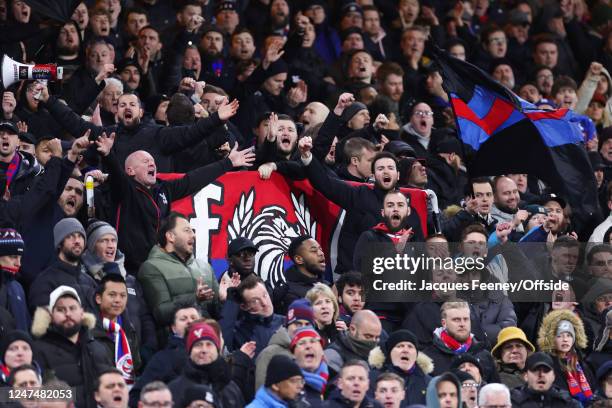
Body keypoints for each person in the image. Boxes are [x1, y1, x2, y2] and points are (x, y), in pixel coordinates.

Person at [94, 127, 254, 271]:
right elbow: (116, 174)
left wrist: (228, 163)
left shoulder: (164, 189)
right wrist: (108, 155)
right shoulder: (125, 189)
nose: (152, 164)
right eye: (145, 161)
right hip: (131, 268)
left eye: (153, 161)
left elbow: (193, 179)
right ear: (130, 170)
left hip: (160, 264)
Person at [31, 286, 113, 408]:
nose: (68, 313)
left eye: (72, 308)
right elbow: (13, 395)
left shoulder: (99, 348)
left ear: (82, 312)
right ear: (51, 315)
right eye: (60, 309)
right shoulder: (37, 350)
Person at [138, 212, 219, 331]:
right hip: (175, 343)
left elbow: (216, 313)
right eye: (187, 230)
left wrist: (225, 297)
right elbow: (161, 313)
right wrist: (194, 298)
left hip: (208, 341)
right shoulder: (151, 267)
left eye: (193, 231)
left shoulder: (205, 267)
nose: (193, 235)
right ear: (170, 236)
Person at [129, 302, 201, 407]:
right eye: (183, 319)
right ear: (173, 328)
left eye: (194, 318)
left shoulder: (213, 355)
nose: (189, 321)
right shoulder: (163, 359)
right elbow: (136, 396)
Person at [168, 320, 244, 407]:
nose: (204, 350)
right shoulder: (174, 390)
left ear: (217, 350)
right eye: (198, 345)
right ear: (189, 352)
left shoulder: (231, 389)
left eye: (209, 344)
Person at [28, 218, 97, 312]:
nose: (77, 241)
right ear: (60, 244)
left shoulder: (89, 281)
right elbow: (42, 321)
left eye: (80, 236)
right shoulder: (45, 281)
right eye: (70, 236)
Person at [423, 302, 497, 382]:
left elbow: (496, 391)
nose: (462, 324)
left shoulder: (484, 355)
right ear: (444, 323)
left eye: (466, 319)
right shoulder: (428, 358)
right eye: (456, 320)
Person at [537, 309, 595, 404]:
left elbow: (594, 390)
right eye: (560, 335)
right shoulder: (548, 365)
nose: (565, 339)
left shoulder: (581, 363)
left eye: (569, 335)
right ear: (552, 338)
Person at [220, 274, 284, 358]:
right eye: (255, 301)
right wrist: (231, 303)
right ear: (244, 306)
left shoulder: (286, 322)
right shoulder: (238, 331)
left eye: (265, 295)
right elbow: (222, 347)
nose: (265, 303)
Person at [368, 329, 433, 406]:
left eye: (410, 347)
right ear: (390, 353)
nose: (405, 350)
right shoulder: (372, 378)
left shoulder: (429, 383)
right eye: (400, 346)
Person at [273, 235, 327, 315]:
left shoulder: (328, 285)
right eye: (314, 251)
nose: (321, 253)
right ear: (299, 259)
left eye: (320, 249)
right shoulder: (289, 293)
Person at [325, 309, 382, 380]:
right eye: (368, 336)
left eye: (376, 337)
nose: (373, 341)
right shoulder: (333, 355)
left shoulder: (375, 354)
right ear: (352, 329)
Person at [511, 352, 581, 407]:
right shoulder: (511, 402)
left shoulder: (569, 404)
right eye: (535, 370)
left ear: (553, 376)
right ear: (526, 376)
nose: (541, 375)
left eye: (546, 370)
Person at [290, 326, 329, 404]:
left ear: (322, 351)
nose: (308, 346)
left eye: (313, 341)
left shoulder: (335, 382)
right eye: (301, 343)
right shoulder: (286, 385)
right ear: (293, 354)